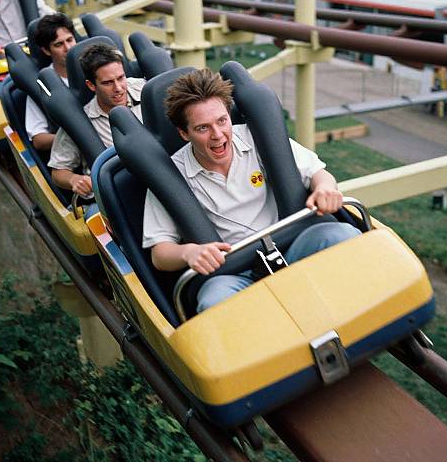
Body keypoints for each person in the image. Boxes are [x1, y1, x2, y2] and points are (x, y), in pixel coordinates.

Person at [142, 68, 360, 313]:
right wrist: (189, 252)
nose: (217, 135)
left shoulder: (258, 137)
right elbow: (160, 254)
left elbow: (317, 173)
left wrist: (325, 189)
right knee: (213, 302)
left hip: (291, 245)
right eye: (203, 128)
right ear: (184, 133)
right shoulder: (172, 174)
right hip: (234, 273)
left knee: (344, 235)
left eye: (222, 121)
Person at [49, 43, 145, 197]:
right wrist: (74, 179)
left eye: (121, 78)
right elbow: (58, 171)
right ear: (91, 85)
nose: (119, 88)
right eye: (108, 83)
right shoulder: (81, 122)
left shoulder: (145, 90)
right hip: (116, 196)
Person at [25, 13, 77, 151]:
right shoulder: (43, 84)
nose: (68, 48)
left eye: (70, 40)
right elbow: (38, 139)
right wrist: (78, 137)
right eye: (59, 44)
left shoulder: (94, 67)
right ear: (47, 51)